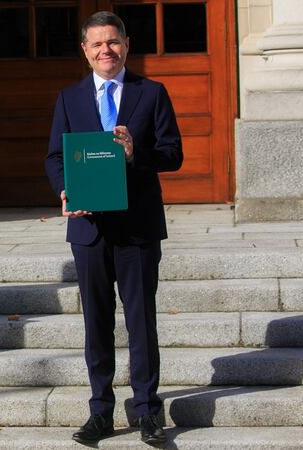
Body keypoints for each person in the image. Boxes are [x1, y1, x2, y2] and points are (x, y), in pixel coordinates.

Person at [44, 11, 183, 445]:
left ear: (126, 44)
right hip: (89, 231)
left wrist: (133, 153)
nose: (107, 50)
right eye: (97, 44)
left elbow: (172, 154)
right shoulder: (70, 98)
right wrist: (66, 190)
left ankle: (146, 411)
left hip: (137, 226)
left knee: (141, 321)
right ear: (85, 51)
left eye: (114, 42)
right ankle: (100, 411)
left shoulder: (152, 93)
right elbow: (55, 157)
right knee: (97, 323)